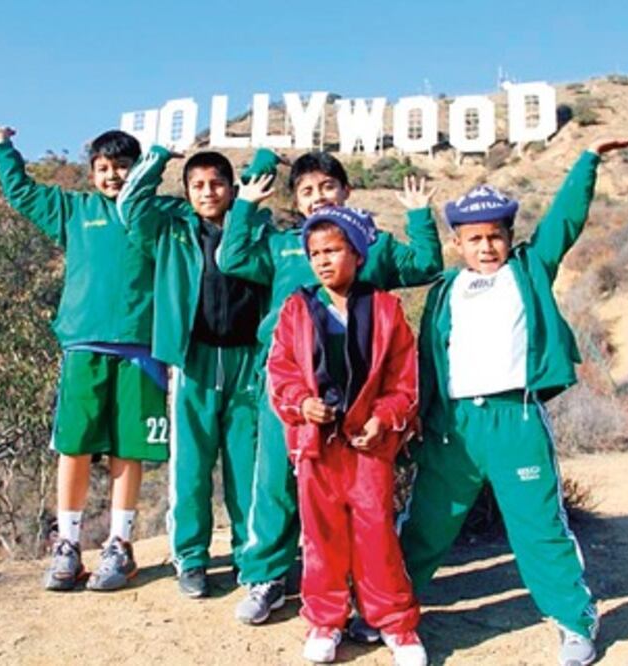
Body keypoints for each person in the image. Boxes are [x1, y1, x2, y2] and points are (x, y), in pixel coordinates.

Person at [400, 138, 628, 666]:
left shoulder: (528, 269)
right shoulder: (445, 289)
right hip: (454, 425)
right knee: (426, 525)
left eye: (495, 236)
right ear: (458, 242)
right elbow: (428, 358)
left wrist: (587, 161)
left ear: (509, 236)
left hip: (517, 418)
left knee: (538, 526)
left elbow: (563, 223)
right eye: (474, 239)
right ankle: (391, 610)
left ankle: (574, 622)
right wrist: (421, 417)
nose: (486, 247)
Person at [221, 150, 442, 626]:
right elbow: (232, 257)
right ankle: (266, 576)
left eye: (327, 186)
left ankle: (361, 583)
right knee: (275, 480)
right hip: (289, 384)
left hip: (359, 392)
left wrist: (419, 216)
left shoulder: (374, 245)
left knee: (359, 491)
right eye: (306, 191)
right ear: (296, 202)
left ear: (347, 191)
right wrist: (246, 204)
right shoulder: (283, 246)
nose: (318, 197)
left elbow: (426, 266)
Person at [0, 126, 169, 592]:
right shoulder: (75, 210)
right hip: (83, 347)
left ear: (139, 169)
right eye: (103, 168)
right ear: (91, 173)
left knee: (129, 449)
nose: (113, 176)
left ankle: (120, 544)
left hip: (141, 349)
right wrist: (4, 148)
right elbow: (23, 194)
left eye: (122, 167)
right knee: (74, 446)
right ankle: (67, 544)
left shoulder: (156, 213)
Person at [267, 206, 425, 665]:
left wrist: (384, 418)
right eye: (315, 253)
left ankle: (394, 622)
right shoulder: (296, 309)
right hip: (317, 446)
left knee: (377, 534)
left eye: (333, 250)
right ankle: (325, 619)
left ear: (357, 254)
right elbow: (280, 371)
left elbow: (404, 380)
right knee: (321, 537)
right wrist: (302, 404)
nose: (323, 260)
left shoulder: (385, 309)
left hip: (368, 446)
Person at [118, 146, 272, 598]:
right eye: (198, 185)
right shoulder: (171, 229)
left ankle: (251, 558)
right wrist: (158, 157)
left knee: (247, 467)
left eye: (217, 184)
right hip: (193, 360)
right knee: (191, 468)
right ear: (186, 191)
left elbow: (256, 191)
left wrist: (264, 160)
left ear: (233, 188)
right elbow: (130, 205)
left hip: (247, 361)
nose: (208, 193)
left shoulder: (256, 227)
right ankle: (190, 558)